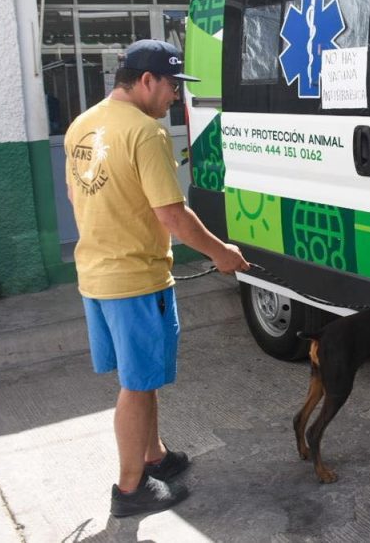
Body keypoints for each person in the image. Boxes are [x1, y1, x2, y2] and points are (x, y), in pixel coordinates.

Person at [64, 39, 249, 517]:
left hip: (96, 275)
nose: (175, 96)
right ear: (146, 80)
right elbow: (173, 215)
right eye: (171, 85)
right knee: (138, 385)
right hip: (135, 281)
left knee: (139, 378)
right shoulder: (146, 133)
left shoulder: (83, 123)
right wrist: (222, 253)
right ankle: (131, 489)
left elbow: (76, 196)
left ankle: (155, 456)